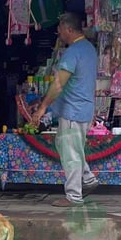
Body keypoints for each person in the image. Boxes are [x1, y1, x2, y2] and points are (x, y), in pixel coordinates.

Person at [31, 12, 99, 207]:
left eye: (60, 30)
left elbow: (59, 84)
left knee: (70, 154)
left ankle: (74, 196)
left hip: (73, 111)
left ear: (69, 29)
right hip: (84, 109)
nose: (58, 34)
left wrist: (43, 107)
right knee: (71, 149)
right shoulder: (89, 49)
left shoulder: (73, 52)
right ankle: (88, 179)